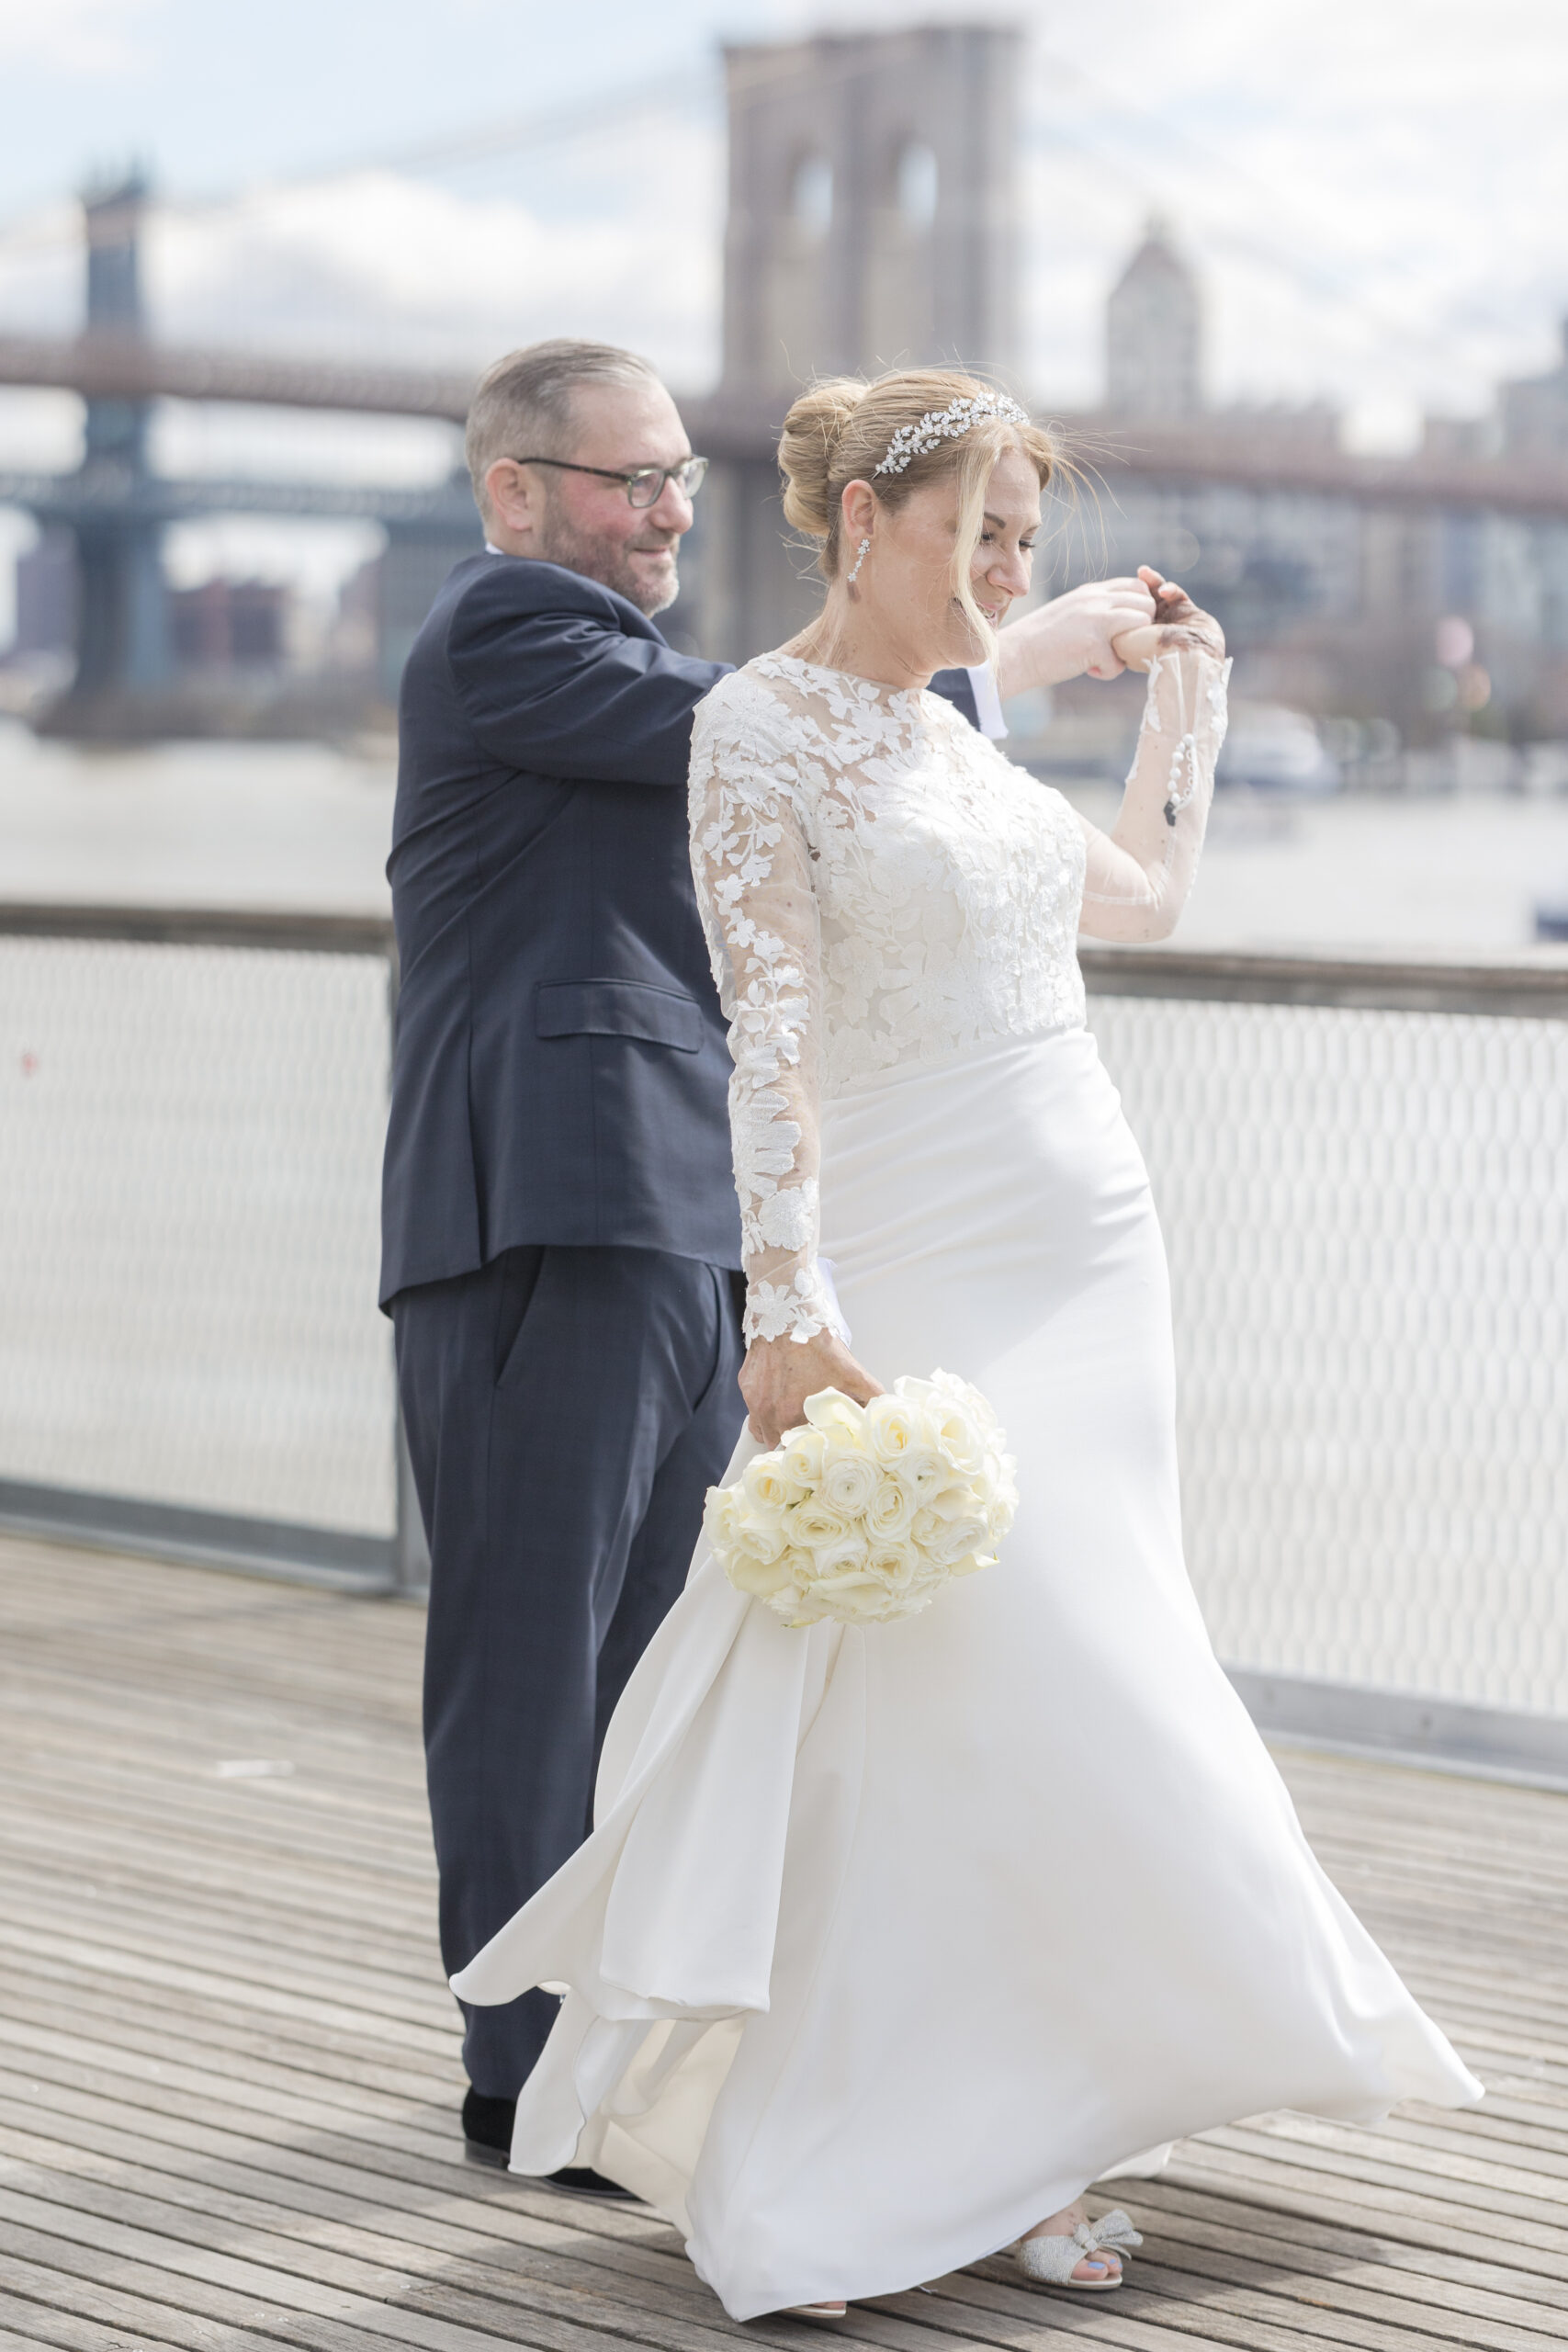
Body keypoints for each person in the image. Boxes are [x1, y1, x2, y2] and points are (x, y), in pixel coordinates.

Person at [449, 366, 1483, 2319]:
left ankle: (1054, 2102)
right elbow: (770, 1037)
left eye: (1027, 537)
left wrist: (1186, 698)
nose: (1008, 566)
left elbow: (1150, 901)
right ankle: (931, 2137)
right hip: (915, 1261)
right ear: (860, 524)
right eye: (977, 531)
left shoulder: (961, 743)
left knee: (1097, 1668)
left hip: (1092, 1251)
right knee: (952, 1692)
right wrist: (788, 1298)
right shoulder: (757, 730)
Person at [381, 339, 1168, 2184]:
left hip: (691, 1229)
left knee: (667, 1663)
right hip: (538, 1205)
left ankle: (632, 2043)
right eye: (627, 479)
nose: (672, 505)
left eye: (675, 476)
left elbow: (825, 789)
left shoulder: (680, 679)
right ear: (516, 497)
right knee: (530, 1657)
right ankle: (521, 2064)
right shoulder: (502, 631)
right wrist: (1015, 639)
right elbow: (759, 722)